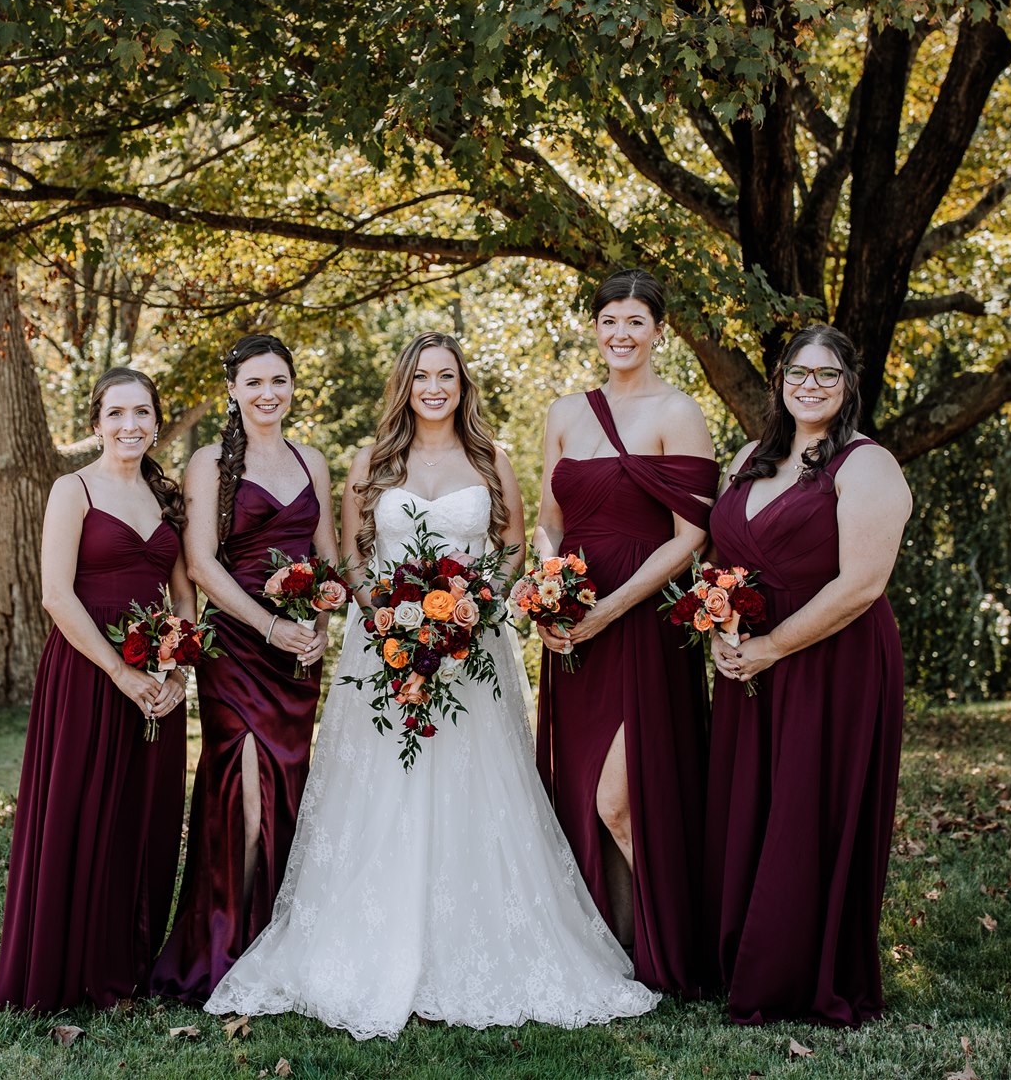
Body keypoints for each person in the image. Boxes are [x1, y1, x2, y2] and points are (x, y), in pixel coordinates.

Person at [206, 332, 656, 1038]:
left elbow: (512, 545)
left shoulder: (491, 458)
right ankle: (367, 945)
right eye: (423, 376)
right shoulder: (372, 461)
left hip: (473, 657)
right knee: (382, 794)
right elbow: (351, 555)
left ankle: (478, 943)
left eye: (447, 375)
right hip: (382, 655)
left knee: (478, 790)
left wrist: (479, 609)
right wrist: (383, 616)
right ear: (405, 386)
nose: (435, 387)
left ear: (462, 384)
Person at [706, 325, 911, 1026]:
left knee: (807, 808)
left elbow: (862, 584)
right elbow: (723, 564)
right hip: (749, 663)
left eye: (828, 374)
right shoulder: (748, 457)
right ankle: (746, 960)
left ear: (850, 383)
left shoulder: (866, 464)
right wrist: (723, 635)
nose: (811, 385)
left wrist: (773, 646)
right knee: (752, 805)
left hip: (833, 660)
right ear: (779, 380)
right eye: (799, 372)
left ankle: (803, 975)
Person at [532, 269, 720, 995]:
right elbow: (552, 520)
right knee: (582, 792)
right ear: (595, 327)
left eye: (636, 321)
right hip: (573, 627)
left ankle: (679, 945)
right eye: (609, 319)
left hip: (642, 622)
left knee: (624, 795)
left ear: (658, 331)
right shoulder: (563, 413)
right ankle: (612, 951)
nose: (621, 333)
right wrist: (552, 584)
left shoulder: (680, 411)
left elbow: (691, 536)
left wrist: (610, 607)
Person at [0, 367, 193, 1012]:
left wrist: (177, 672)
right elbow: (56, 594)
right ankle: (65, 969)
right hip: (87, 673)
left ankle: (124, 970)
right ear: (96, 424)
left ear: (157, 423)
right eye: (117, 414)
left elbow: (183, 591)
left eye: (141, 414)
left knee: (143, 819)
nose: (130, 425)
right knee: (81, 814)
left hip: (157, 681)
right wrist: (120, 672)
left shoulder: (167, 497)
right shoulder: (71, 489)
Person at [152, 336, 338, 1001]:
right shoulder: (209, 462)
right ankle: (227, 949)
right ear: (232, 389)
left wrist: (316, 628)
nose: (269, 393)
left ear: (292, 385)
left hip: (296, 659)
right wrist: (269, 625)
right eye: (255, 382)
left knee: (290, 786)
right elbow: (202, 565)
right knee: (247, 794)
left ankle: (280, 945)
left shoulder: (310, 459)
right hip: (237, 647)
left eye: (279, 380)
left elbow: (327, 561)